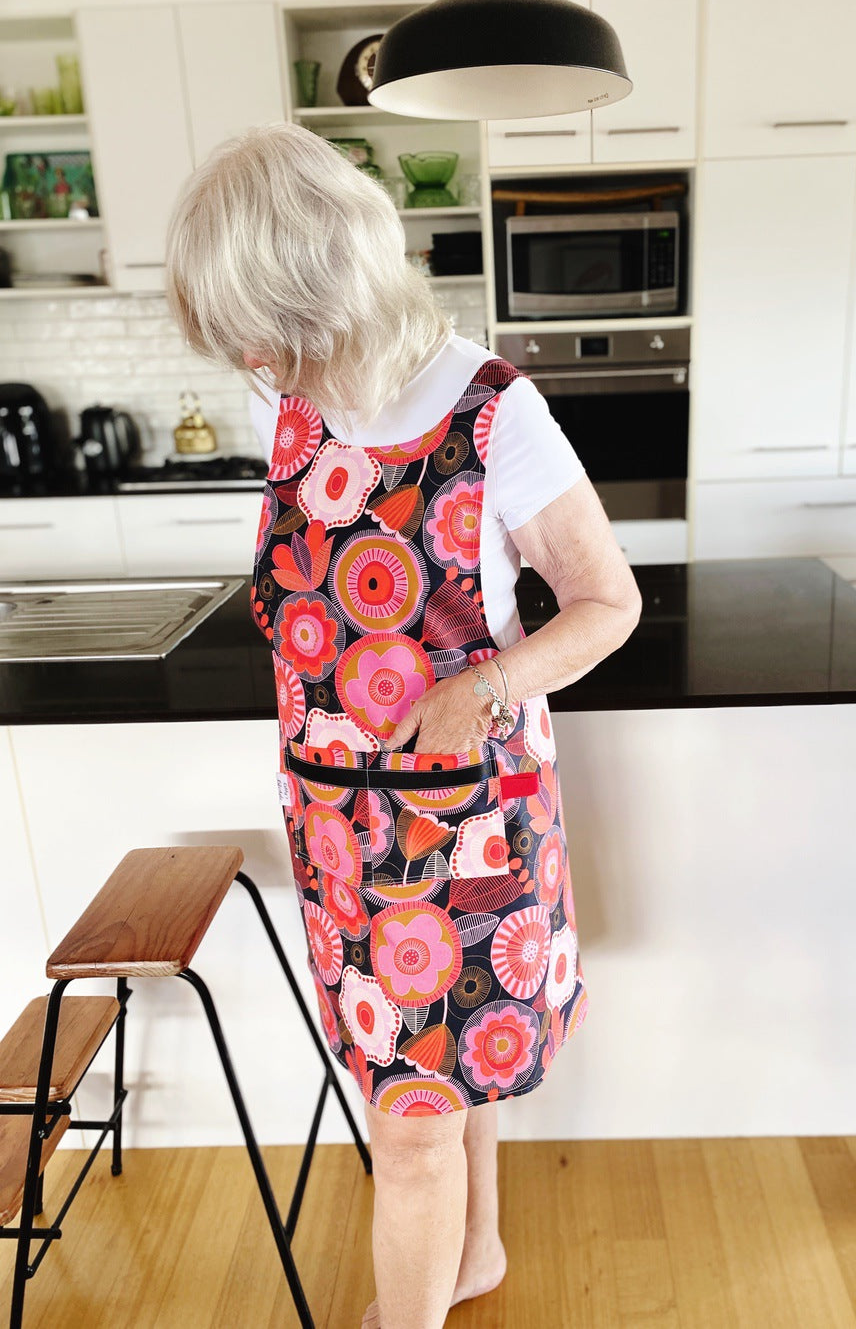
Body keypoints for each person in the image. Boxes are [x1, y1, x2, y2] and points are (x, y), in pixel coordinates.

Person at [165, 121, 642, 1329]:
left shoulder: (494, 414)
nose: (258, 364)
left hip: (466, 835)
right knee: (437, 1086)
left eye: (263, 332)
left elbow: (607, 605)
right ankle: (474, 1254)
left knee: (413, 1131)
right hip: (338, 831)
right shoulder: (301, 411)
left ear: (322, 286)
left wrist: (478, 686)